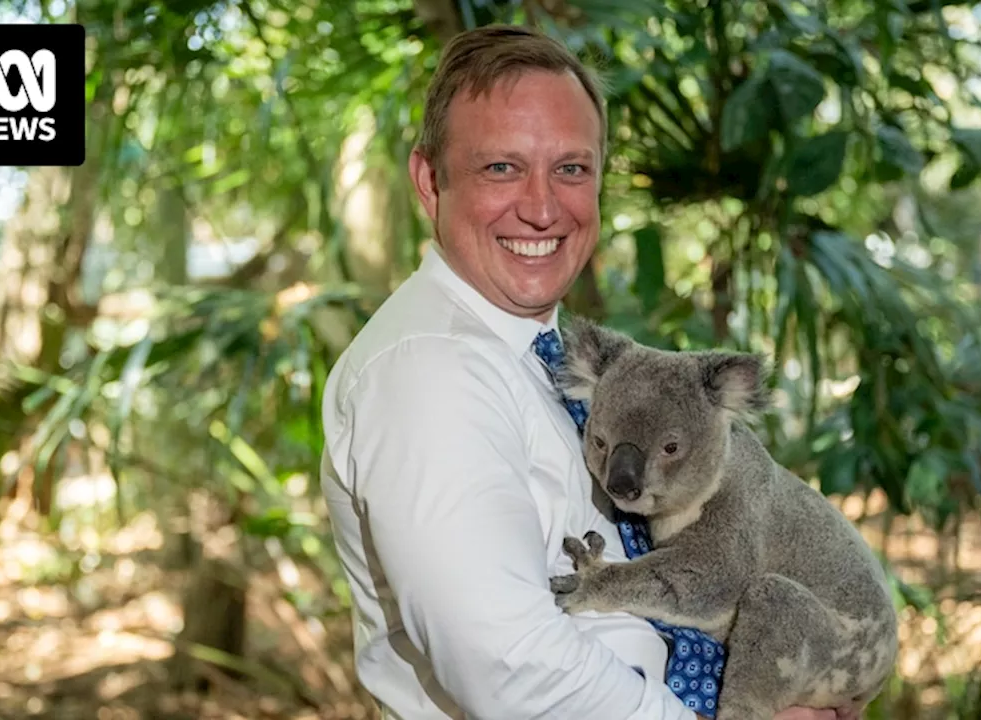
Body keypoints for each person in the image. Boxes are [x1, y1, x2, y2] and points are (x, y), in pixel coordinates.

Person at [319, 23, 850, 720]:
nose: (542, 209)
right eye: (501, 168)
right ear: (429, 182)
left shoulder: (555, 357)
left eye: (570, 169)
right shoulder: (429, 372)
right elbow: (509, 670)